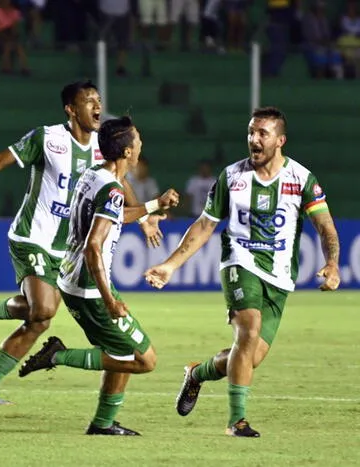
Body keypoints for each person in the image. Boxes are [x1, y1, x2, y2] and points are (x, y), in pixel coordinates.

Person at [0, 81, 166, 404]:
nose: (97, 105)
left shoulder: (104, 148)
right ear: (71, 109)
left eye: (98, 99)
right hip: (32, 237)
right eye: (88, 100)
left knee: (39, 320)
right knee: (44, 308)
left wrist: (144, 217)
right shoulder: (48, 139)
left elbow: (120, 183)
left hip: (66, 250)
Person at [144, 106, 340, 437]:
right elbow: (205, 226)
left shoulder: (301, 179)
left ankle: (197, 373)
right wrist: (170, 265)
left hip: (279, 277)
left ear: (280, 140)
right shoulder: (232, 177)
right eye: (251, 132)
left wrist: (333, 263)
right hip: (239, 262)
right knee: (247, 331)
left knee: (250, 357)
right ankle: (237, 421)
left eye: (262, 133)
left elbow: (325, 226)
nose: (253, 139)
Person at [18, 116, 179, 435]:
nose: (141, 145)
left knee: (120, 351)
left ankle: (103, 423)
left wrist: (153, 206)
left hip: (74, 278)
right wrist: (109, 300)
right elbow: (94, 247)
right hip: (91, 288)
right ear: (128, 152)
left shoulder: (94, 175)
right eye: (139, 141)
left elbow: (114, 215)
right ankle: (59, 356)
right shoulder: (113, 190)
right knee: (145, 360)